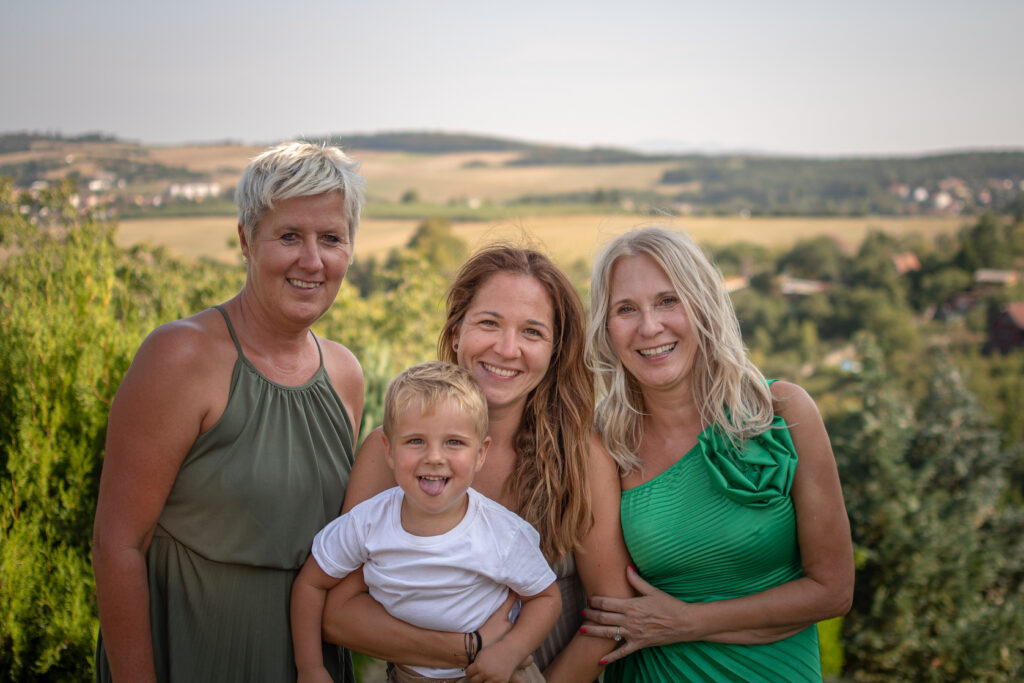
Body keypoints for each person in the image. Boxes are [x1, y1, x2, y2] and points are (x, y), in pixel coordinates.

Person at [91, 141, 366, 683]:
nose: (313, 260)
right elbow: (117, 546)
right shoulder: (180, 356)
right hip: (192, 657)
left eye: (331, 239)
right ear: (246, 240)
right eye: (289, 236)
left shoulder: (345, 375)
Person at [320, 245, 634, 682]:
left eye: (532, 332)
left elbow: (609, 619)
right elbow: (339, 614)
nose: (507, 348)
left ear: (554, 350)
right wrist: (469, 649)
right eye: (489, 323)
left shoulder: (580, 457)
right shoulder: (391, 452)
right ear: (456, 333)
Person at [579, 226, 855, 681]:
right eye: (625, 309)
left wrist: (688, 622)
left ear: (702, 303)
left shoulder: (785, 412)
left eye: (668, 301)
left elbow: (833, 591)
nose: (649, 327)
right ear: (605, 328)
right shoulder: (604, 445)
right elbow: (610, 616)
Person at [292, 361, 561, 683]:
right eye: (416, 441)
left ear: (480, 453)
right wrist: (310, 667)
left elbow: (546, 598)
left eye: (454, 442)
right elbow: (311, 584)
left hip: (498, 672)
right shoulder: (367, 523)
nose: (434, 457)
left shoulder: (501, 531)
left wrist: (511, 651)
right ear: (389, 450)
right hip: (410, 675)